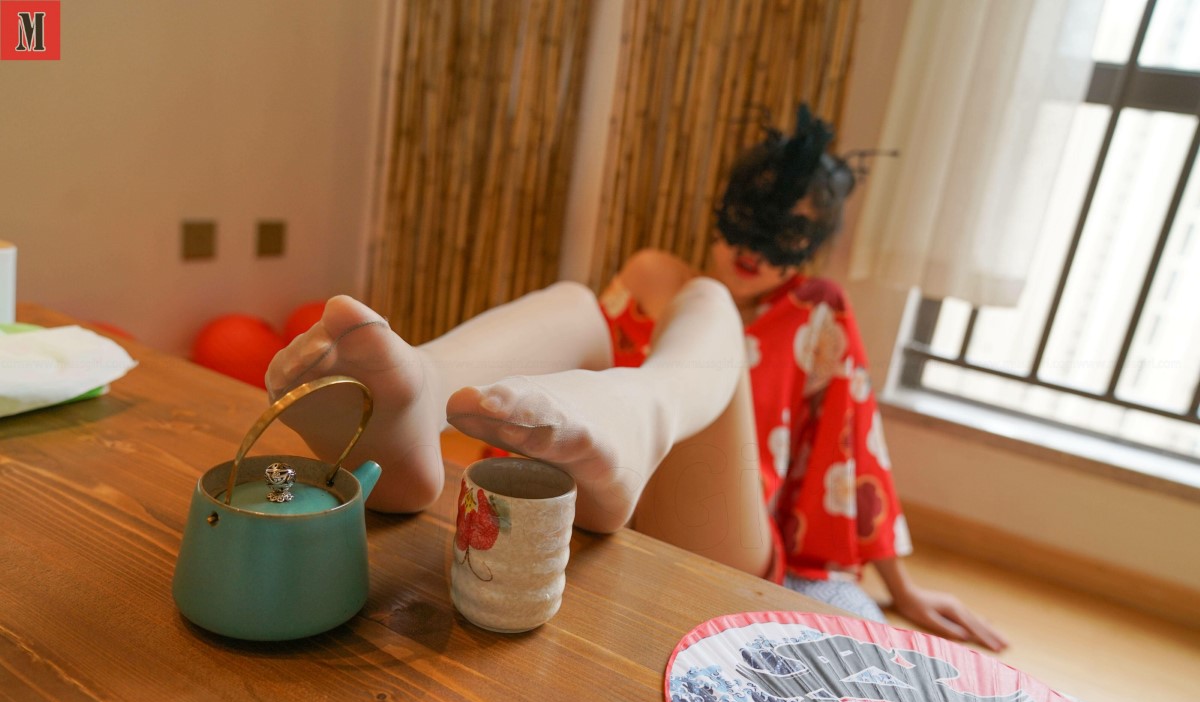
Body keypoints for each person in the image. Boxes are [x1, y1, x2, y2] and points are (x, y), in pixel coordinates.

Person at [265, 106, 1007, 652]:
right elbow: (571, 358)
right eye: (745, 218)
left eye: (785, 233)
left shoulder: (816, 316)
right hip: (596, 500)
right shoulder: (656, 276)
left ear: (811, 246)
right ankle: (419, 401)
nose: (753, 250)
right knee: (578, 303)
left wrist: (902, 590)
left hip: (714, 535)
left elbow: (849, 453)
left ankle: (643, 411)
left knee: (709, 304)